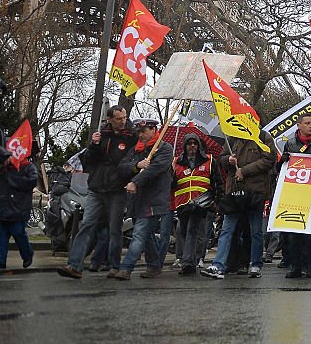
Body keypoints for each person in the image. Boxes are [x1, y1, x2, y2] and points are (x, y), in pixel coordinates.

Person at [57, 106, 136, 279]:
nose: (122, 121)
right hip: (96, 188)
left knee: (115, 229)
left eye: (124, 117)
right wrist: (93, 145)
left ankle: (114, 265)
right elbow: (86, 161)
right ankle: (74, 265)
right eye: (118, 118)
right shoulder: (101, 135)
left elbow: (131, 161)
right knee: (86, 225)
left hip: (117, 189)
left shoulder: (131, 137)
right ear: (109, 119)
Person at [201, 127, 277, 279]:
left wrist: (244, 170)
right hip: (234, 193)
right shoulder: (232, 138)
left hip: (255, 192)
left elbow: (269, 159)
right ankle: (218, 265)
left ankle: (255, 264)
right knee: (227, 229)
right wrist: (228, 160)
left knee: (256, 231)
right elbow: (221, 159)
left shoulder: (263, 137)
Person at [113, 119, 174, 280]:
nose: (140, 135)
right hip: (137, 200)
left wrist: (135, 182)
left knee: (139, 233)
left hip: (155, 199)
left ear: (154, 129)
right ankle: (154, 265)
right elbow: (122, 167)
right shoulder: (137, 150)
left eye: (144, 131)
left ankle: (126, 268)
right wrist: (137, 165)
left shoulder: (165, 149)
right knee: (146, 234)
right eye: (138, 132)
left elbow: (155, 170)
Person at [280, 116, 311, 279]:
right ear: (299, 125)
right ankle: (296, 266)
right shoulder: (291, 143)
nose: (310, 126)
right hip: (295, 193)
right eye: (307, 123)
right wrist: (283, 160)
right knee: (294, 234)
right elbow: (280, 169)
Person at [171, 133, 220, 276]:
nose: (192, 146)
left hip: (201, 204)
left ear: (199, 146)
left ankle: (188, 262)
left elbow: (217, 182)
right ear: (184, 146)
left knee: (193, 231)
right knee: (183, 231)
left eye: (195, 143)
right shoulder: (176, 163)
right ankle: (190, 259)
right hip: (183, 204)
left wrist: (217, 201)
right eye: (189, 143)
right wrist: (171, 172)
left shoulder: (210, 161)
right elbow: (171, 185)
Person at [0, 127, 37, 269]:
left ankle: (27, 255)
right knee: (1, 236)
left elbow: (31, 182)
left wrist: (12, 180)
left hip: (19, 208)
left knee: (18, 234)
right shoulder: (4, 168)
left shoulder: (28, 167)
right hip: (3, 208)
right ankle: (0, 261)